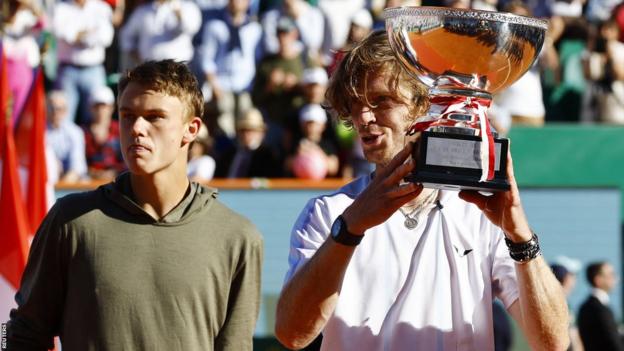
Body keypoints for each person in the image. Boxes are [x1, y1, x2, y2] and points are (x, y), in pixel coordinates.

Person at [274, 30, 569, 350]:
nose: (362, 117)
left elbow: (552, 342)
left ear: (423, 106)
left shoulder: (478, 210)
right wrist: (350, 228)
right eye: (354, 106)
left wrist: (520, 235)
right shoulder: (329, 213)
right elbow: (293, 334)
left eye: (380, 101)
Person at [6, 60, 263, 350]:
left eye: (154, 117)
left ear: (190, 129)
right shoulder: (71, 220)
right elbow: (18, 333)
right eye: (127, 116)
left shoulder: (238, 237)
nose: (137, 128)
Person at [52, 0, 114, 125]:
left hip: (93, 70)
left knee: (94, 119)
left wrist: (79, 36)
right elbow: (61, 32)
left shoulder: (101, 8)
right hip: (67, 70)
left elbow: (106, 37)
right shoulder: (60, 8)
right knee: (63, 118)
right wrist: (89, 33)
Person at [215, 107, 283, 178]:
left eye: (252, 130)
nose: (246, 134)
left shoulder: (269, 157)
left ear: (262, 133)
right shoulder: (228, 155)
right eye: (243, 130)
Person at [577, 261, 624, 351]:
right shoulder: (599, 309)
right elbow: (614, 343)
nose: (615, 278)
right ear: (598, 280)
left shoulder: (586, 306)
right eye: (611, 275)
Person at [83, 85, 126, 181]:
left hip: (118, 180)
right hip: (88, 181)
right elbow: (78, 164)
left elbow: (127, 162)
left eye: (104, 106)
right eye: (96, 106)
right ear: (90, 108)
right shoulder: (81, 132)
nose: (100, 110)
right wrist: (93, 173)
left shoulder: (121, 130)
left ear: (112, 108)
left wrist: (114, 172)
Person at [46, 90, 88, 183]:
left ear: (66, 110)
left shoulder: (75, 132)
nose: (55, 112)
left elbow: (77, 169)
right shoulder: (39, 131)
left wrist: (59, 189)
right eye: (51, 108)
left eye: (59, 109)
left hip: (67, 185)